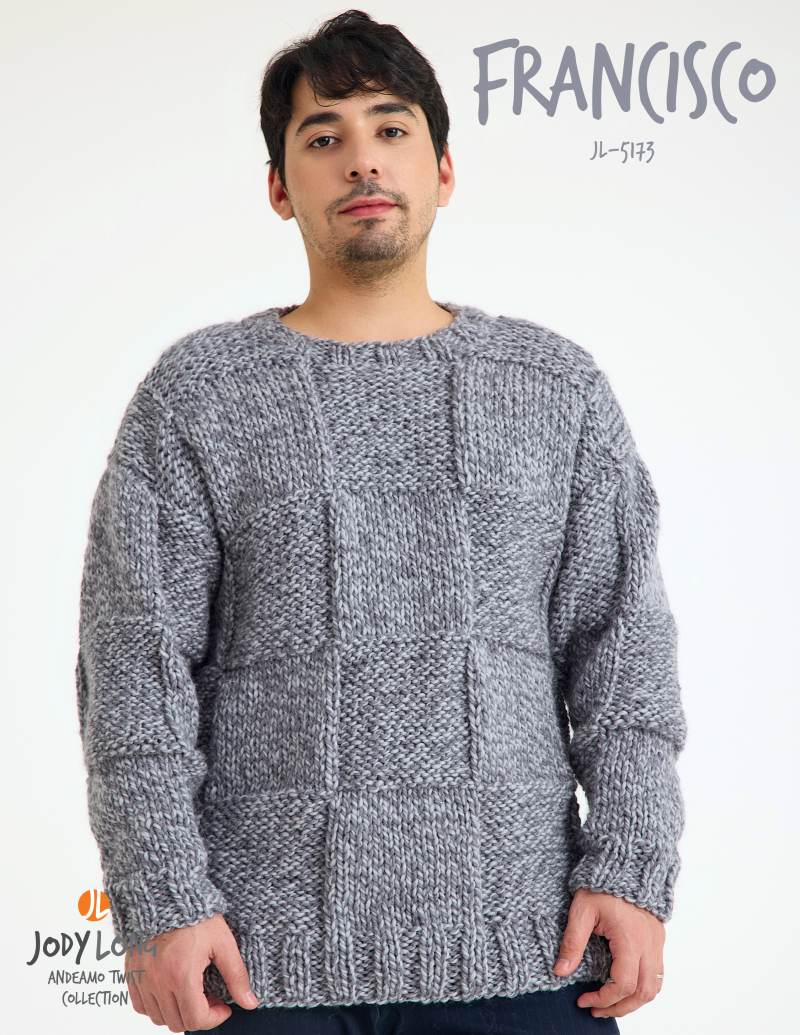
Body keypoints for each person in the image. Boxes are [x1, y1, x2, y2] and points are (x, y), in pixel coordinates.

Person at [74, 9, 687, 1034]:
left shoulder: (554, 388)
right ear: (280, 186)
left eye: (390, 128)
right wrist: (162, 899)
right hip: (255, 966)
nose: (361, 159)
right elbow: (134, 668)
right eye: (324, 137)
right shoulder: (199, 394)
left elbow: (623, 653)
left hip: (530, 951)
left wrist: (631, 864)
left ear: (442, 169)